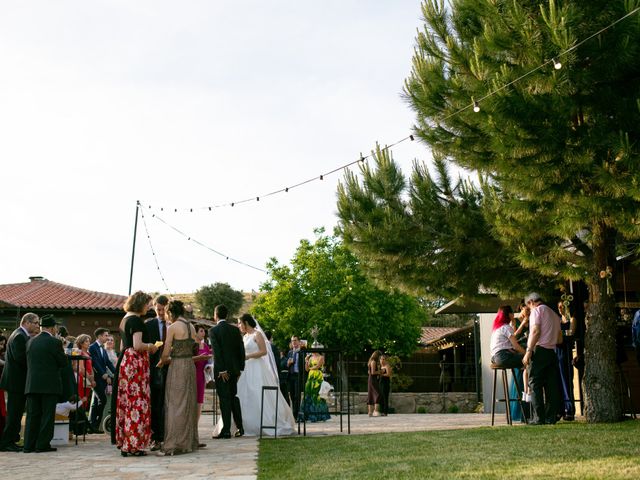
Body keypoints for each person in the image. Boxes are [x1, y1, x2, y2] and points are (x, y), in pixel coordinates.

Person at [216, 314, 295, 436]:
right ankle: (241, 425)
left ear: (246, 323)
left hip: (257, 367)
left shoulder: (257, 334)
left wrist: (248, 356)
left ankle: (263, 423)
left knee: (257, 392)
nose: (239, 326)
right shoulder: (245, 336)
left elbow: (263, 351)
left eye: (240, 323)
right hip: (245, 369)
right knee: (241, 394)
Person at [114, 291, 157, 457]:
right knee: (137, 402)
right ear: (140, 304)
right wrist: (151, 346)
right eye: (147, 304)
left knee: (127, 401)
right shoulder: (136, 321)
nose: (148, 307)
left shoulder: (124, 319)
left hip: (126, 362)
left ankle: (126, 442)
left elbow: (122, 347)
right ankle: (134, 445)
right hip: (136, 363)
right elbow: (137, 345)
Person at [157, 300, 200, 455]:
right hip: (190, 366)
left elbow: (166, 351)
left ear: (170, 312)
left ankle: (174, 443)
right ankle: (188, 441)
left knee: (175, 403)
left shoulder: (173, 327)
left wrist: (161, 362)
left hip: (178, 366)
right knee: (188, 403)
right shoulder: (191, 326)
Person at [23, 314, 68, 453]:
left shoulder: (30, 341)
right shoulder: (55, 342)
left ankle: (28, 445)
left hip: (32, 384)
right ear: (53, 328)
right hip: (49, 385)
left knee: (32, 416)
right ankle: (42, 445)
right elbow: (63, 362)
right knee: (47, 416)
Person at [0, 312, 40, 452]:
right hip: (15, 382)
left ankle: (11, 440)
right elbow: (21, 358)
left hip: (16, 381)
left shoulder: (21, 335)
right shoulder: (19, 336)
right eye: (35, 322)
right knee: (14, 413)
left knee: (16, 413)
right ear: (26, 322)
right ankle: (7, 442)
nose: (37, 325)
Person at [522, 292, 562, 425]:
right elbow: (559, 338)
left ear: (531, 302)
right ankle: (551, 417)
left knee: (535, 384)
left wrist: (528, 351)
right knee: (551, 386)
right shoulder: (554, 314)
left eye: (528, 305)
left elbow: (535, 331)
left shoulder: (537, 311)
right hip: (552, 351)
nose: (529, 308)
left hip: (540, 351)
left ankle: (538, 417)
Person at [209, 304, 245, 439]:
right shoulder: (235, 330)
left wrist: (222, 369)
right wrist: (240, 368)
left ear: (216, 315)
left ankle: (226, 430)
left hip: (222, 371)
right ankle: (240, 427)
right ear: (227, 315)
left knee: (224, 399)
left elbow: (217, 352)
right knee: (233, 397)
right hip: (235, 370)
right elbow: (241, 350)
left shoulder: (214, 331)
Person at [145, 294, 170, 451]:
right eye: (158, 309)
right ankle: (156, 437)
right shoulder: (149, 325)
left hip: (173, 367)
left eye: (163, 310)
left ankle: (169, 435)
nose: (160, 313)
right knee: (156, 404)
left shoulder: (173, 324)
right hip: (155, 368)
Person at [88, 328, 115, 432]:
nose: (107, 337)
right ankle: (94, 424)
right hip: (96, 378)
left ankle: (93, 425)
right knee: (102, 400)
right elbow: (94, 362)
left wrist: (117, 372)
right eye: (105, 335)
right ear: (99, 336)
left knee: (97, 401)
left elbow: (108, 363)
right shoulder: (92, 347)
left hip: (103, 379)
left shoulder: (103, 349)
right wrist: (102, 373)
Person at [301, 351, 331, 422]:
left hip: (317, 377)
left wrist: (311, 368)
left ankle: (319, 416)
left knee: (317, 396)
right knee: (308, 395)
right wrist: (306, 361)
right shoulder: (310, 358)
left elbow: (318, 366)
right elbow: (306, 369)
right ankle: (307, 416)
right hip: (310, 377)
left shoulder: (321, 357)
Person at [194, 325, 213, 423]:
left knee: (199, 401)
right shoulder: (191, 345)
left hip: (202, 376)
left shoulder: (206, 346)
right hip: (192, 374)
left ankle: (196, 425)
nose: (203, 333)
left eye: (204, 331)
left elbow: (209, 361)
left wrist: (209, 366)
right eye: (201, 331)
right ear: (195, 333)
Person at [74, 334, 96, 411]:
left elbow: (91, 368)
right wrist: (90, 379)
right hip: (82, 379)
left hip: (88, 379)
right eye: (86, 341)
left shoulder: (88, 354)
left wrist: (92, 379)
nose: (89, 343)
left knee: (86, 400)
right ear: (81, 343)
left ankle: (83, 418)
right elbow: (81, 368)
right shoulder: (79, 353)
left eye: (89, 341)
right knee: (81, 399)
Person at [286, 336, 304, 419]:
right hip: (291, 376)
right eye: (292, 341)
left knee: (297, 396)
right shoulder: (290, 352)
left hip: (298, 376)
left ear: (299, 342)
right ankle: (294, 413)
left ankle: (296, 414)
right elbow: (287, 365)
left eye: (295, 340)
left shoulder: (302, 352)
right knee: (292, 396)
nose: (294, 342)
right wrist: (288, 364)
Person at [367, 350, 382, 417]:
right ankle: (376, 411)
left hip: (371, 379)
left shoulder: (371, 361)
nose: (380, 358)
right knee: (378, 394)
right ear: (377, 356)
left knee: (371, 394)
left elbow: (369, 372)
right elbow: (373, 372)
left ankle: (370, 412)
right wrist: (380, 371)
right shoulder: (373, 362)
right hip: (373, 380)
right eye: (379, 356)